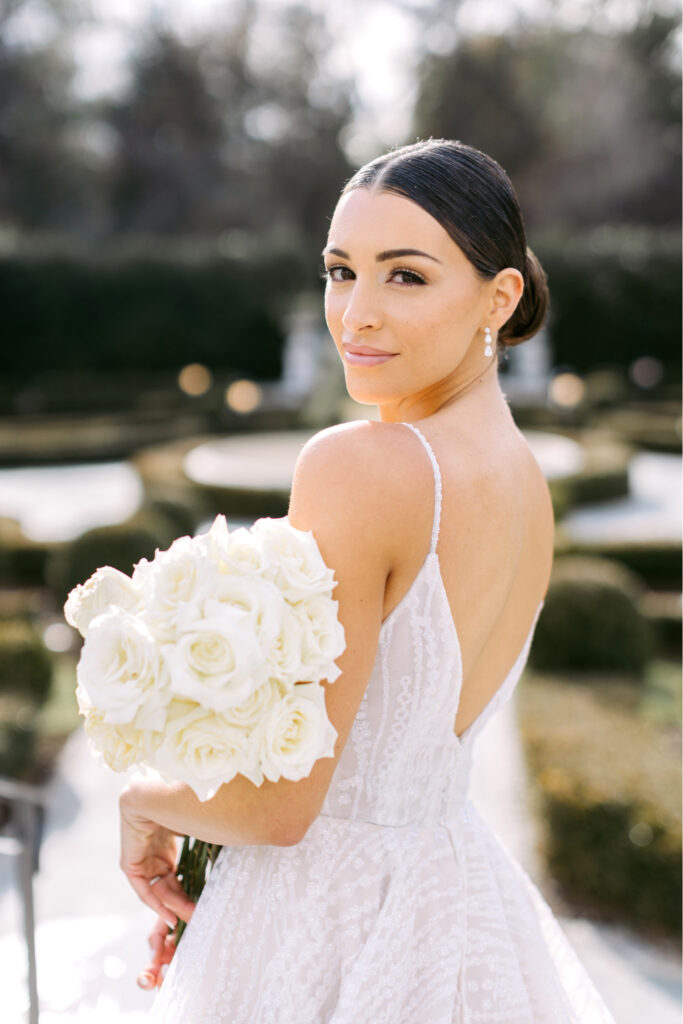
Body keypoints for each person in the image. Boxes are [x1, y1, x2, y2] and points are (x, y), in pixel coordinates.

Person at [120, 138, 617, 1022]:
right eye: (340, 271)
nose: (355, 313)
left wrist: (144, 801)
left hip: (324, 920)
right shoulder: (526, 479)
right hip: (455, 902)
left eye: (406, 277)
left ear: (498, 298)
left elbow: (283, 809)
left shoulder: (364, 465)